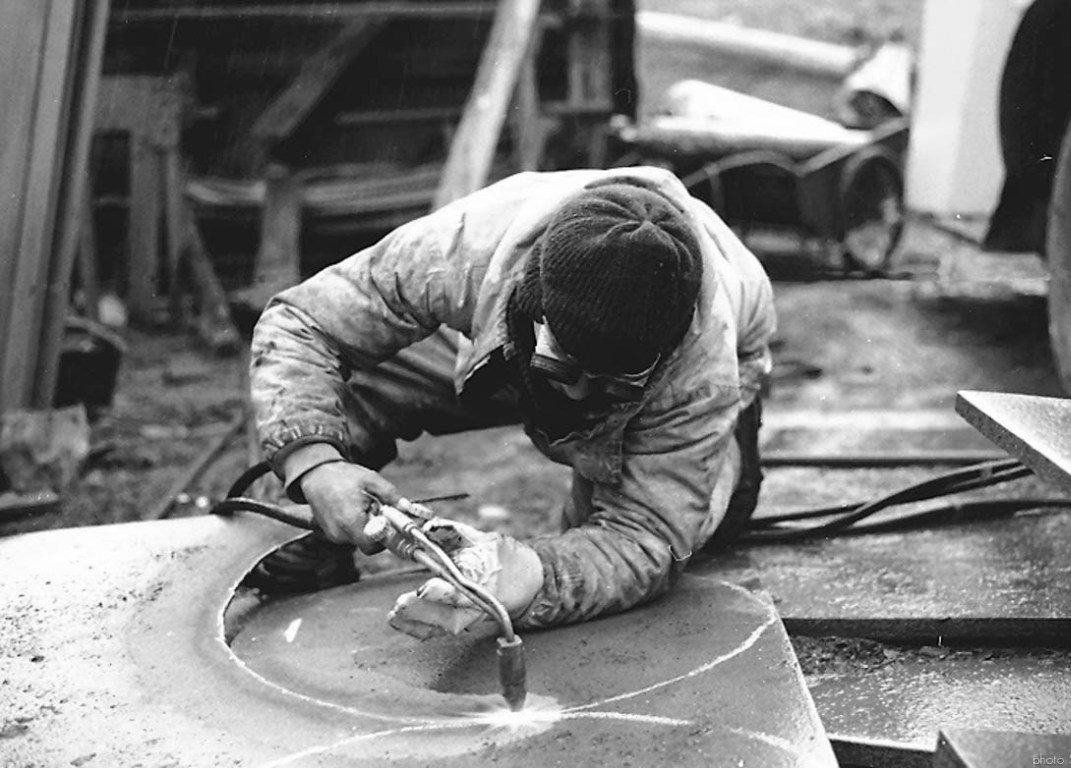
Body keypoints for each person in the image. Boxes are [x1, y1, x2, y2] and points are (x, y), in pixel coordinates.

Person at [249, 166, 775, 639]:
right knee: (352, 392)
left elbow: (648, 537)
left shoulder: (701, 371)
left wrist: (532, 572)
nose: (577, 394)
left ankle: (606, 387)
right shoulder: (464, 250)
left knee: (677, 551)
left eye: (611, 380)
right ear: (531, 299)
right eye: (563, 366)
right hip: (506, 350)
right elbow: (303, 323)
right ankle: (309, 553)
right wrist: (315, 464)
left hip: (677, 387)